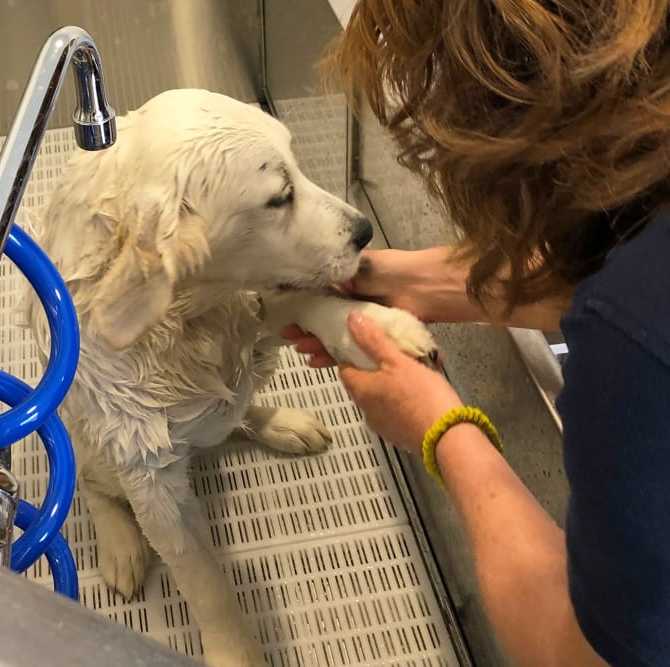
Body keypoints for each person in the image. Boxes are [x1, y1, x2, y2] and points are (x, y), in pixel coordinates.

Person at [285, 2, 670, 665]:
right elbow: (620, 247)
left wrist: (443, 428)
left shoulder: (630, 342)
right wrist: (421, 283)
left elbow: (578, 654)